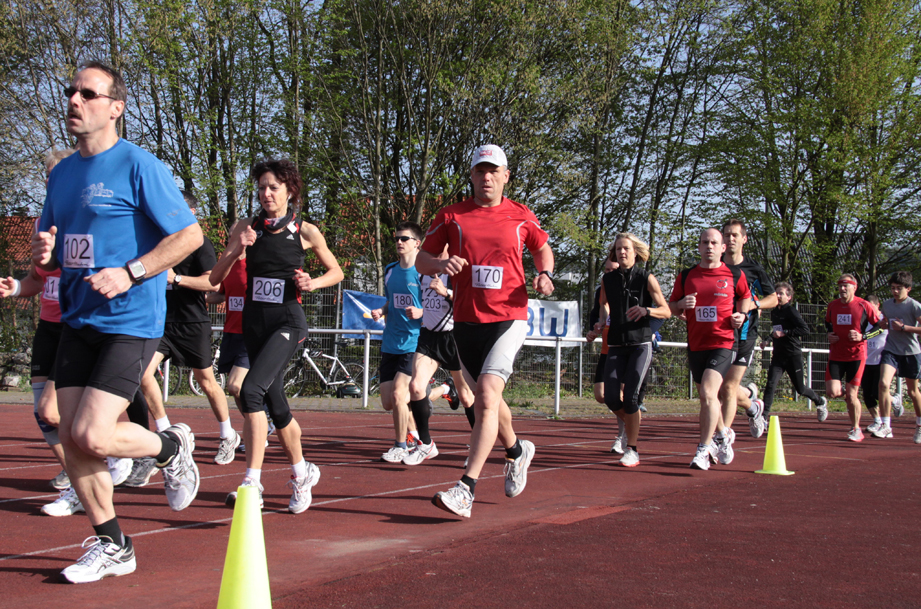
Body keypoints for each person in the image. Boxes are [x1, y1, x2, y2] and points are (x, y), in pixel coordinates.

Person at [32, 61, 203, 583]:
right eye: (71, 91)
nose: (74, 100)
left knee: (92, 433)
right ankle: (114, 546)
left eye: (88, 93)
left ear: (115, 107)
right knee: (69, 434)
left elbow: (189, 236)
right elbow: (53, 256)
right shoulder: (62, 175)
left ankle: (171, 446)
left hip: (131, 320)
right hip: (79, 319)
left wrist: (132, 272)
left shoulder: (139, 165)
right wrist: (43, 256)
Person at [419, 144, 555, 518]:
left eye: (494, 171)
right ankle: (516, 450)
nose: (487, 177)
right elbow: (422, 259)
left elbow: (542, 248)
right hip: (466, 320)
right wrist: (441, 264)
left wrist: (545, 274)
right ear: (472, 176)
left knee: (488, 394)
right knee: (486, 397)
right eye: (480, 171)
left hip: (509, 317)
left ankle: (466, 488)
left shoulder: (521, 215)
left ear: (506, 176)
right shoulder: (452, 215)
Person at [209, 157, 343, 513]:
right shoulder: (245, 227)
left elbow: (337, 271)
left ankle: (251, 482)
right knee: (276, 402)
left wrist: (312, 282)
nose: (266, 194)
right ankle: (302, 472)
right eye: (261, 188)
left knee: (250, 390)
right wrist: (238, 248)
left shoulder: (305, 231)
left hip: (287, 322)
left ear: (289, 191)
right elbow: (214, 278)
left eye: (273, 188)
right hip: (254, 323)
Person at [138, 190, 238, 464]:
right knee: (143, 374)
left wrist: (177, 279)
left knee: (206, 382)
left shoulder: (200, 243)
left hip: (192, 322)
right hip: (160, 323)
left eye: (176, 208)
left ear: (191, 213)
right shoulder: (158, 242)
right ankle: (167, 434)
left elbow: (213, 283)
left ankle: (227, 435)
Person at [668, 228, 751, 470]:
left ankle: (703, 449)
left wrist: (742, 315)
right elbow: (670, 307)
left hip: (724, 342)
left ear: (723, 247)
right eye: (705, 242)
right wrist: (681, 304)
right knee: (707, 398)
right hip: (696, 344)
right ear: (699, 247)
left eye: (714, 242)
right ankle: (723, 434)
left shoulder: (734, 274)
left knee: (707, 392)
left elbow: (745, 296)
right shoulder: (687, 276)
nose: (709, 246)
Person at [597, 233, 671, 467]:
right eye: (618, 249)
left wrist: (646, 311)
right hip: (616, 344)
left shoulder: (646, 278)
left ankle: (632, 449)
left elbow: (666, 310)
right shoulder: (607, 279)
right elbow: (603, 304)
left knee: (630, 398)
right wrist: (601, 322)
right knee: (610, 397)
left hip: (640, 344)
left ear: (635, 252)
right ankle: (634, 423)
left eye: (626, 248)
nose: (622, 252)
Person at [404, 245, 475, 465]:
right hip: (429, 337)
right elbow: (425, 303)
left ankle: (477, 447)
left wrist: (447, 293)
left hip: (454, 337)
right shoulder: (422, 272)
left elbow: (471, 302)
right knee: (416, 387)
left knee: (466, 396)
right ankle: (426, 444)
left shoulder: (457, 272)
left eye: (440, 246)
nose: (433, 250)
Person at [370, 222, 425, 463]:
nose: (399, 242)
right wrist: (381, 310)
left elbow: (436, 307)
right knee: (388, 402)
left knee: (399, 393)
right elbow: (390, 301)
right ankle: (418, 434)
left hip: (413, 342)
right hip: (390, 342)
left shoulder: (423, 273)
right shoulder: (390, 270)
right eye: (396, 239)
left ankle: (401, 445)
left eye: (404, 238)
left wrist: (421, 312)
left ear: (417, 243)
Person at [720, 219, 775, 439]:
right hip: (719, 335)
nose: (730, 239)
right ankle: (753, 405)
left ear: (744, 239)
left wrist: (753, 304)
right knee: (721, 389)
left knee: (728, 388)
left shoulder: (753, 269)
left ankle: (722, 438)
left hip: (744, 335)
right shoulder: (714, 267)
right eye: (727, 235)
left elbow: (773, 298)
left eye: (735, 235)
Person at [824, 274, 882, 442]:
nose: (842, 289)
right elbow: (828, 322)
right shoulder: (832, 305)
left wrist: (863, 336)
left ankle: (856, 428)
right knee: (832, 392)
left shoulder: (863, 305)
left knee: (851, 394)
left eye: (846, 286)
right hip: (837, 354)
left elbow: (879, 327)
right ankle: (851, 399)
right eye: (840, 286)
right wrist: (830, 334)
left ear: (854, 287)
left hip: (856, 355)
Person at [760, 282, 826, 420]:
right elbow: (776, 331)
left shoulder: (791, 311)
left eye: (781, 293)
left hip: (793, 355)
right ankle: (763, 418)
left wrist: (785, 333)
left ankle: (820, 401)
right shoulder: (774, 312)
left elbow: (805, 329)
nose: (778, 296)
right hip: (778, 356)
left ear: (789, 297)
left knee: (800, 389)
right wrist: (767, 340)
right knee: (770, 384)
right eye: (776, 293)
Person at [875, 272, 921, 441]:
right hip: (891, 349)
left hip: (910, 352)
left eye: (899, 288)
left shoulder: (914, 306)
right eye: (893, 288)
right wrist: (884, 324)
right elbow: (886, 323)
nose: (895, 291)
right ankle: (886, 425)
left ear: (908, 289)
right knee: (883, 383)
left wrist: (905, 328)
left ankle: (920, 425)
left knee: (913, 392)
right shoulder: (887, 305)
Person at [862, 295, 889, 433]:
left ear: (877, 305)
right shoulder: (863, 321)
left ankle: (894, 400)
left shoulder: (885, 320)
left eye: (870, 307)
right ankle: (877, 420)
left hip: (881, 361)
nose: (868, 310)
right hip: (866, 361)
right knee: (867, 394)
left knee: (877, 393)